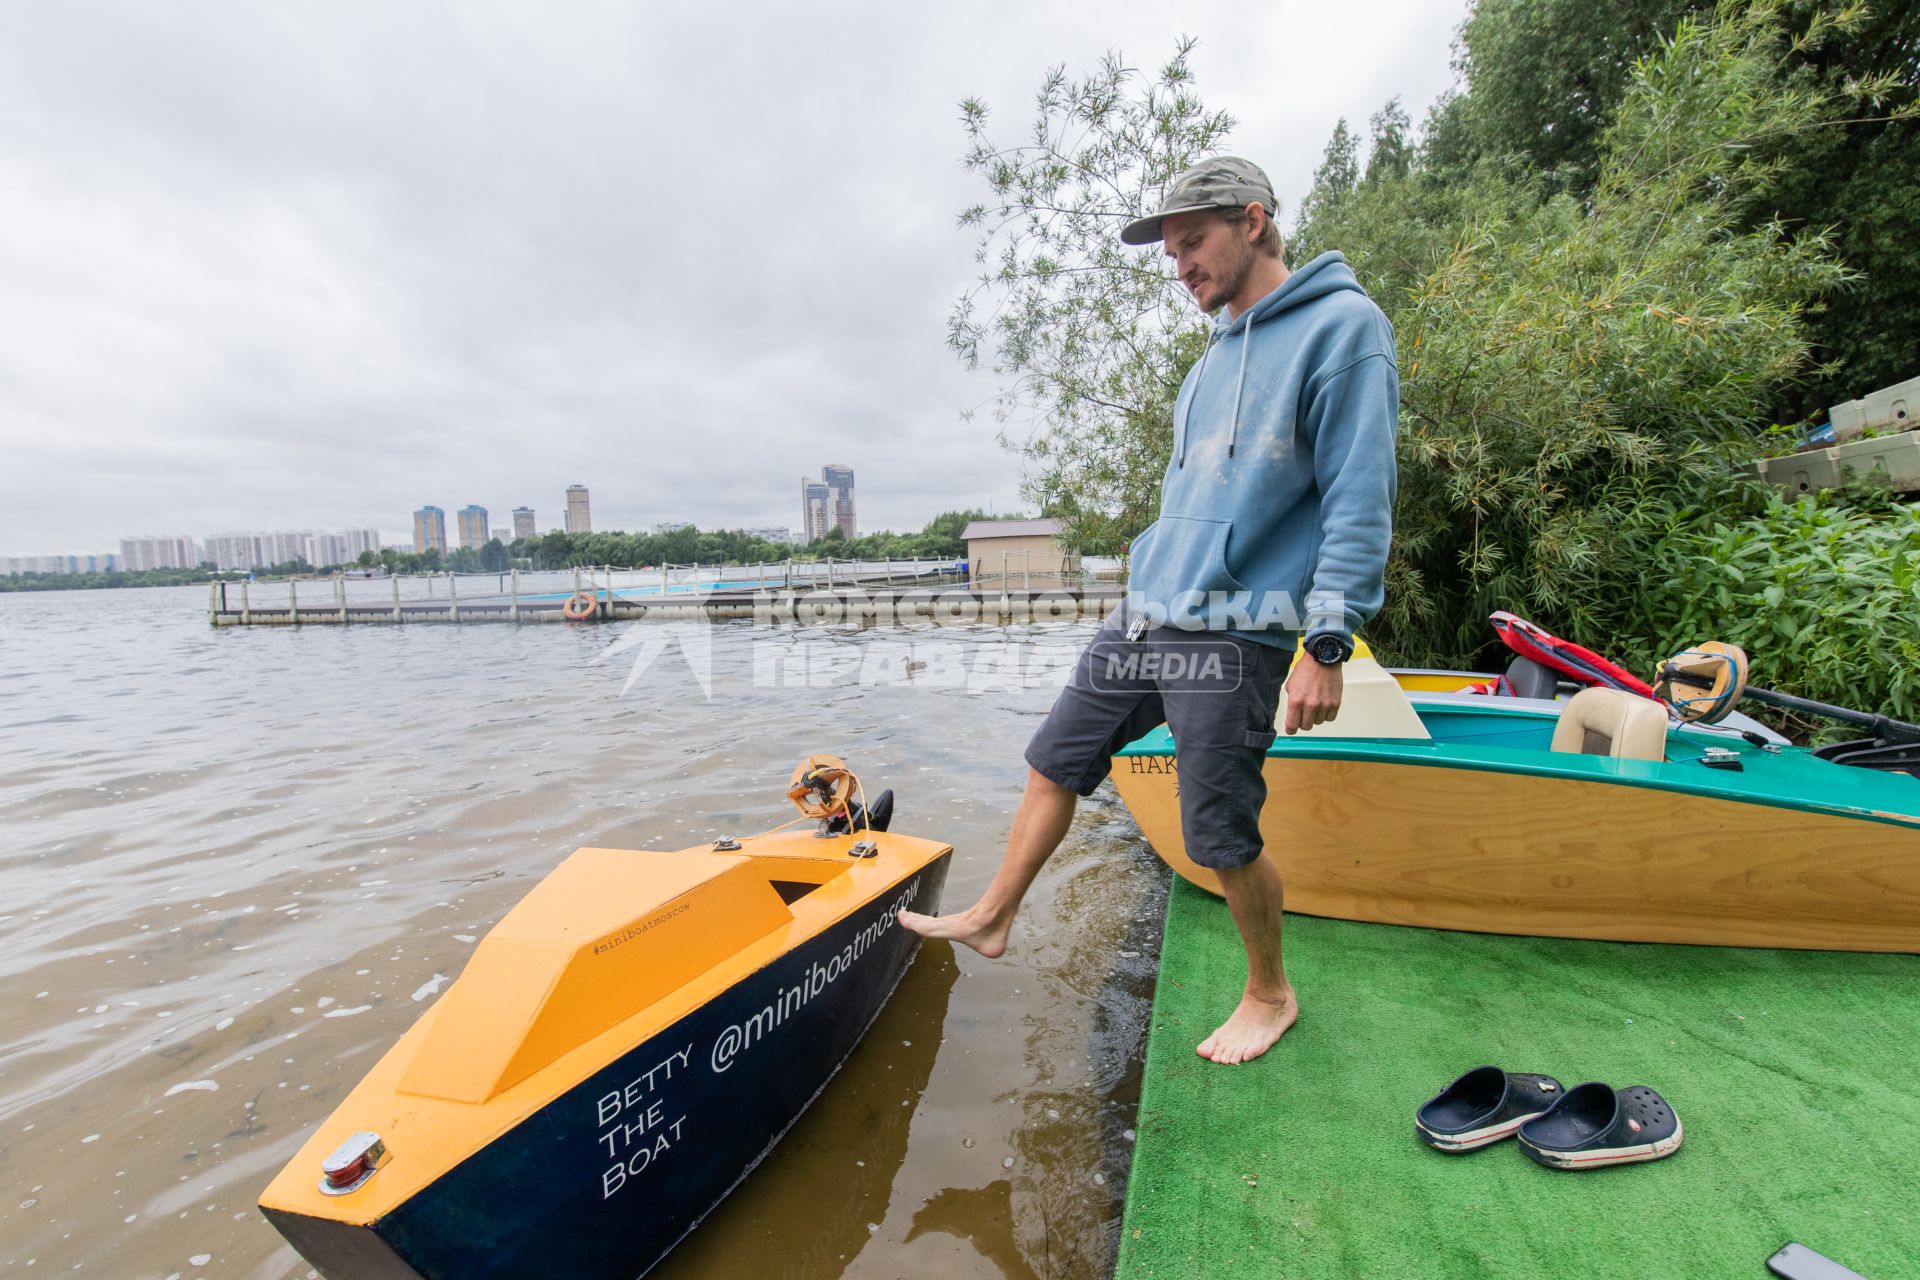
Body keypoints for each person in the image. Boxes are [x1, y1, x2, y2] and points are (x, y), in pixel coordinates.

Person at [901, 157, 1398, 1065]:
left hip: (1239, 629)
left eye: (1193, 243)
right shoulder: (1210, 360)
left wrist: (1326, 640)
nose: (1181, 268)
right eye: (1170, 252)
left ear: (1253, 221)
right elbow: (1191, 493)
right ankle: (994, 913)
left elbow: (1357, 502)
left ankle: (1270, 992)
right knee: (1054, 759)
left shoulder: (1343, 330)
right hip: (1145, 613)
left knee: (1219, 832)